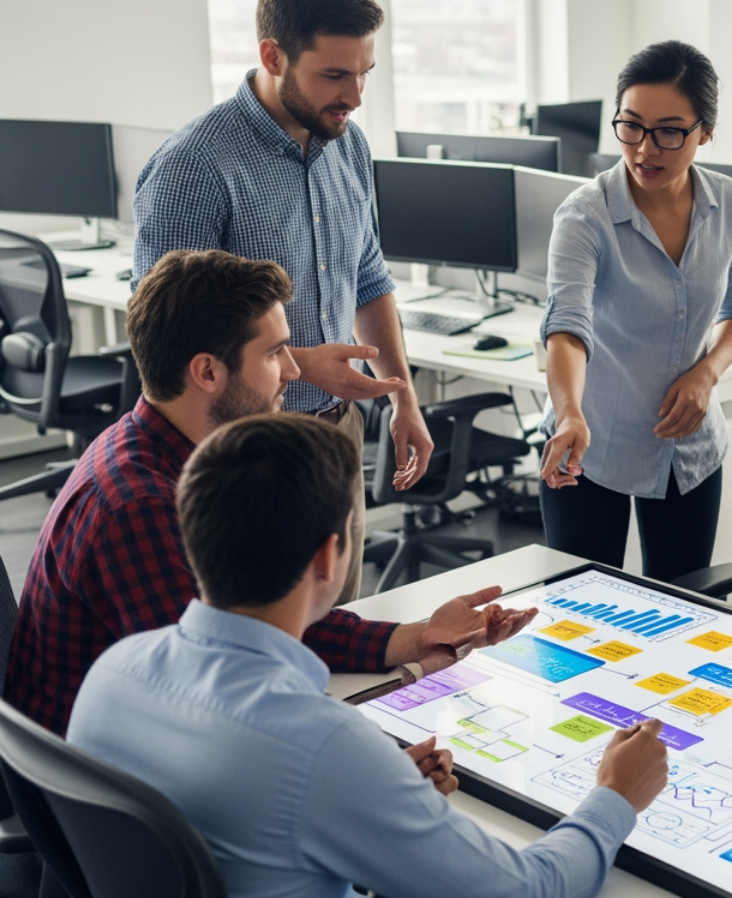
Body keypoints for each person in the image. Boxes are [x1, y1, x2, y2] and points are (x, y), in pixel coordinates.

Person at [68, 413, 671, 898]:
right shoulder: (323, 748)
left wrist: (371, 798)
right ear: (329, 558)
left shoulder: (109, 675)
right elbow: (532, 887)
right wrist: (616, 796)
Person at [6, 250, 511, 737]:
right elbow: (228, 689)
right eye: (274, 353)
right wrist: (398, 699)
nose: (293, 370)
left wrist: (413, 638)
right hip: (108, 796)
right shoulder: (141, 506)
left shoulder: (157, 447)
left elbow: (251, 622)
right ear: (207, 372)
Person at [134, 0, 432, 604]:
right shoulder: (195, 167)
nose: (353, 96)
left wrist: (402, 397)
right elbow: (166, 338)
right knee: (264, 645)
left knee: (338, 627)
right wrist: (302, 363)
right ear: (272, 55)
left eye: (363, 75)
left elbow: (370, 277)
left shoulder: (348, 143)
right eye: (333, 75)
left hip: (338, 433)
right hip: (245, 451)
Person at [539, 40, 732, 580]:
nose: (644, 149)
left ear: (705, 131)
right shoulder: (584, 217)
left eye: (669, 132)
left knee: (685, 610)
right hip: (591, 446)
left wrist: (706, 375)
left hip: (689, 449)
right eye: (631, 126)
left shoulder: (727, 201)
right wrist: (569, 410)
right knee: (581, 617)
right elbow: (567, 327)